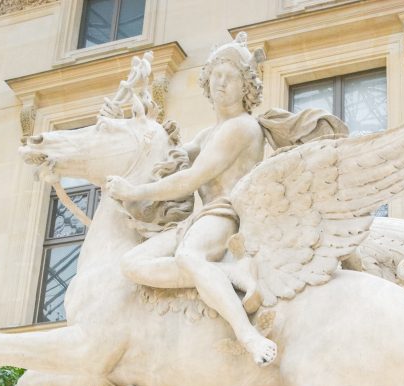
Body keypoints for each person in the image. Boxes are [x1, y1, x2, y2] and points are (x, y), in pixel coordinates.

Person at [104, 34, 277, 366]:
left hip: (226, 216)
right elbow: (166, 158)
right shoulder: (209, 133)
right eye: (215, 75)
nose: (220, 82)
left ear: (245, 85)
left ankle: (248, 335)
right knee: (131, 264)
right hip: (199, 220)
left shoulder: (242, 127)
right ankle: (229, 275)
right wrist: (130, 125)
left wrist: (134, 192)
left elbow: (191, 178)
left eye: (230, 76)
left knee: (189, 256)